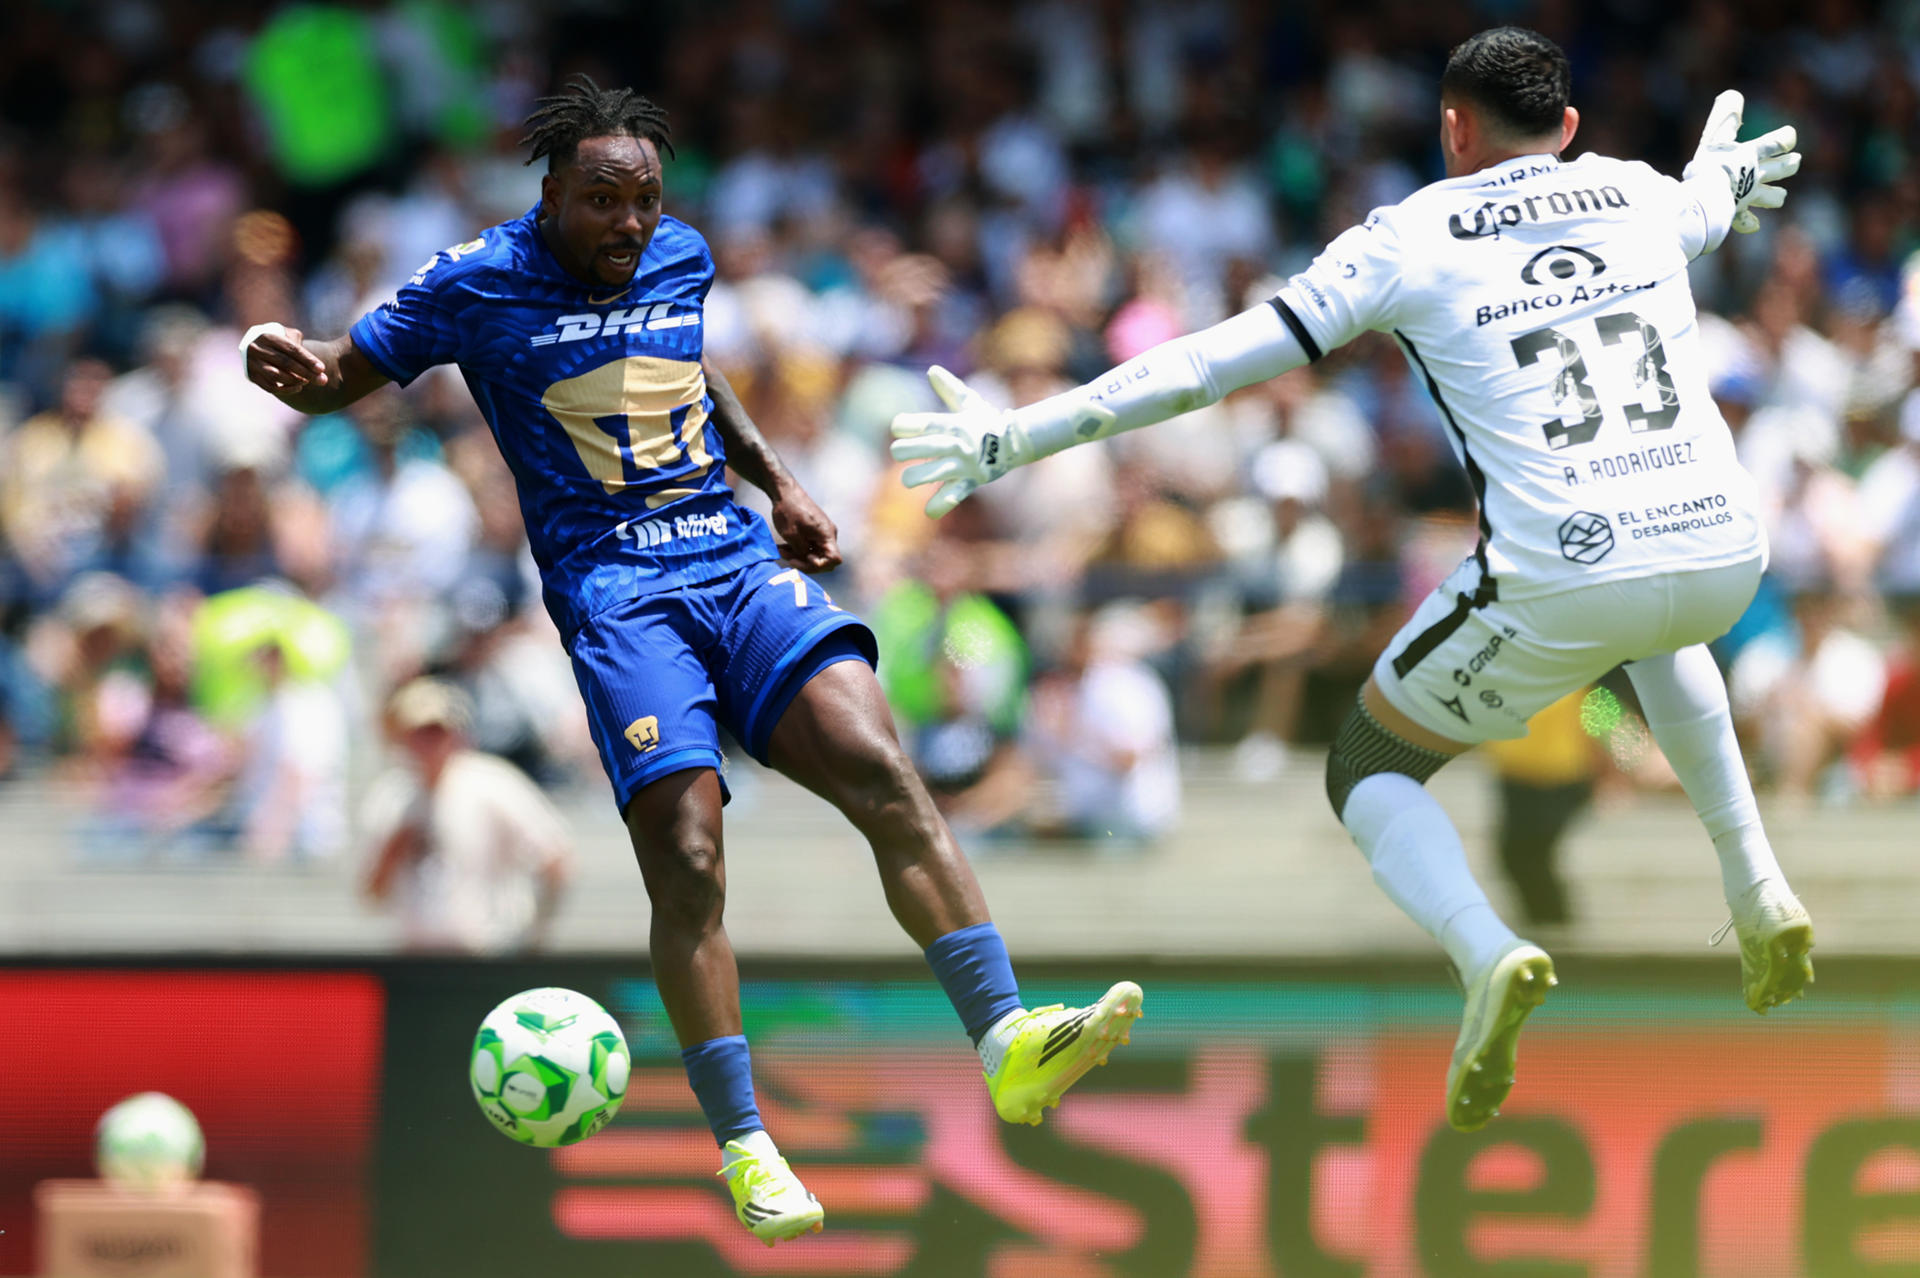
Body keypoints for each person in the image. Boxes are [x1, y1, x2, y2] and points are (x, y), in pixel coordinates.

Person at [240, 75, 1141, 1245]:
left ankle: (1009, 1039)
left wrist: (781, 484)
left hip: (728, 561)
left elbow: (689, 372)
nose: (631, 225)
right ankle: (749, 1146)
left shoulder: (680, 258)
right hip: (618, 596)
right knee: (690, 846)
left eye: (648, 202)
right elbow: (345, 369)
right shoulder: (474, 281)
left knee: (881, 764)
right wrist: (302, 369)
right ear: (553, 191)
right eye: (606, 201)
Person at [891, 28, 1812, 1134]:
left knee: (1371, 762)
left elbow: (1203, 368)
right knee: (1664, 632)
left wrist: (1018, 435)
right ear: (1568, 130)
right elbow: (1713, 194)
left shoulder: (1407, 237)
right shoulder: (1635, 191)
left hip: (1572, 564)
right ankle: (1756, 886)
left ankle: (1489, 954)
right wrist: (1725, 175)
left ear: (1453, 130)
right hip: (1723, 549)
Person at [360, 678, 571, 954]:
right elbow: (371, 894)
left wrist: (533, 936)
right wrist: (393, 852)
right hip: (414, 956)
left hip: (487, 955)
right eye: (418, 733)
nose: (428, 742)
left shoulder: (490, 783)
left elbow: (556, 859)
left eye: (436, 731)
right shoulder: (392, 796)